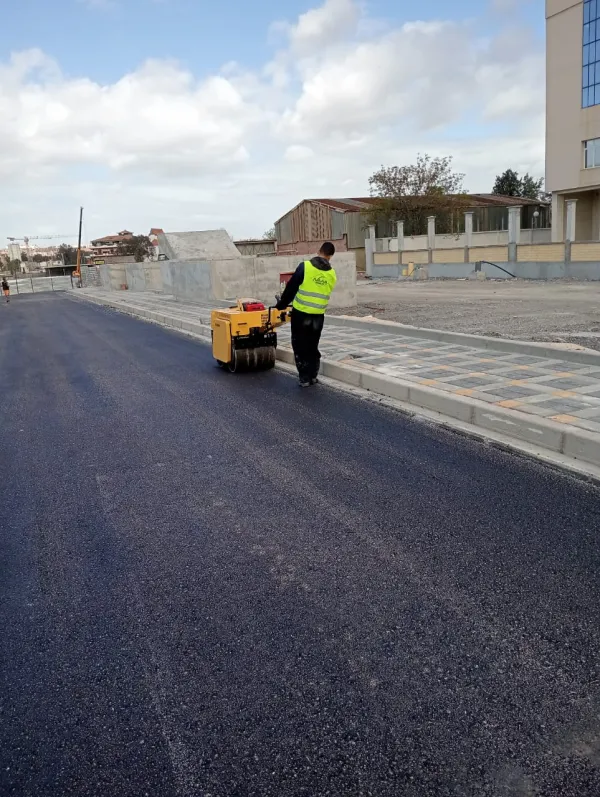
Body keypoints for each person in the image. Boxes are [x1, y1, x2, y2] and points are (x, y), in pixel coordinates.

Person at [276, 242, 337, 387]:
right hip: (318, 316)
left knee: (299, 345)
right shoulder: (332, 274)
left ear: (318, 251)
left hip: (301, 315)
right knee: (312, 345)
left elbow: (291, 288)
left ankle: (304, 378)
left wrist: (281, 305)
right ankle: (313, 375)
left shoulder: (305, 267)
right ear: (330, 256)